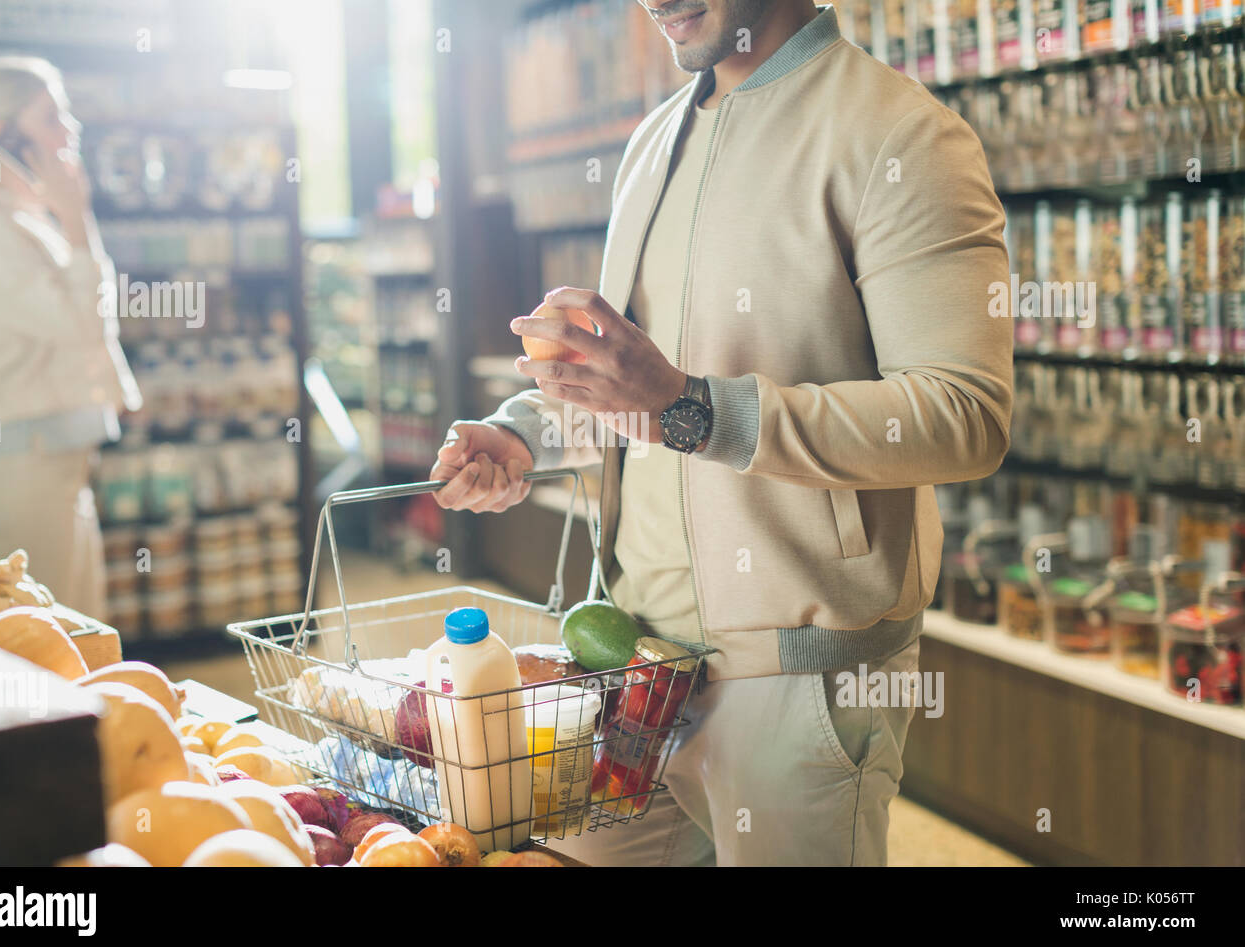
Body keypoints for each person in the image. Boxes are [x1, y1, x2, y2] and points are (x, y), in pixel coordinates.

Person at [430, 0, 1012, 865]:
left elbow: (963, 416)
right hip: (634, 662)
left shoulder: (901, 136)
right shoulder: (653, 139)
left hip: (798, 682)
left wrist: (693, 407)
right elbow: (640, 386)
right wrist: (524, 433)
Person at [0, 57, 139, 619]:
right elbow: (82, 325)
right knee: (62, 660)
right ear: (5, 135)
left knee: (84, 644)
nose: (70, 128)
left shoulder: (20, 221)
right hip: (23, 471)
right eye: (52, 116)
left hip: (49, 466)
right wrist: (78, 219)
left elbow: (89, 324)